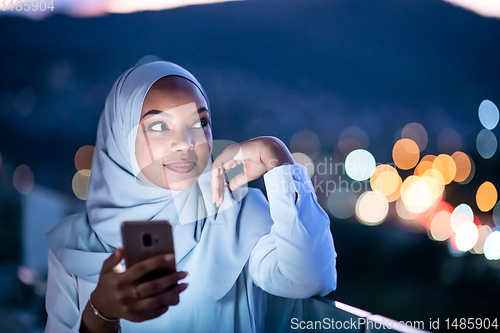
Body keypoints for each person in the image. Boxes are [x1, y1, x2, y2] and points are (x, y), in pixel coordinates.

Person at [44, 59, 337, 333]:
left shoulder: (232, 210)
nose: (185, 143)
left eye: (200, 123)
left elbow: (311, 277)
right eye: (159, 126)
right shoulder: (74, 244)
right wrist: (101, 311)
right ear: (121, 137)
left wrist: (278, 158)